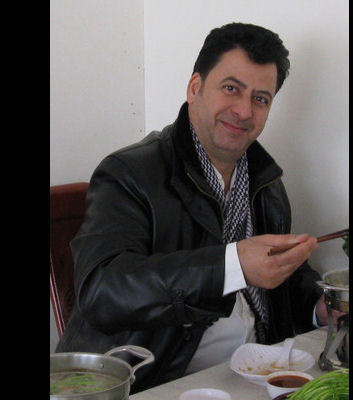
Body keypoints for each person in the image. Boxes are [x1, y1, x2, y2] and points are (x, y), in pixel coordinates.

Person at [56, 22, 336, 393]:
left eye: (260, 98)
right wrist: (232, 266)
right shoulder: (128, 173)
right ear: (195, 88)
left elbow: (284, 284)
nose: (243, 110)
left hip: (248, 378)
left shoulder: (266, 183)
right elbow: (102, 291)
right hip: (155, 382)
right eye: (231, 88)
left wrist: (321, 307)